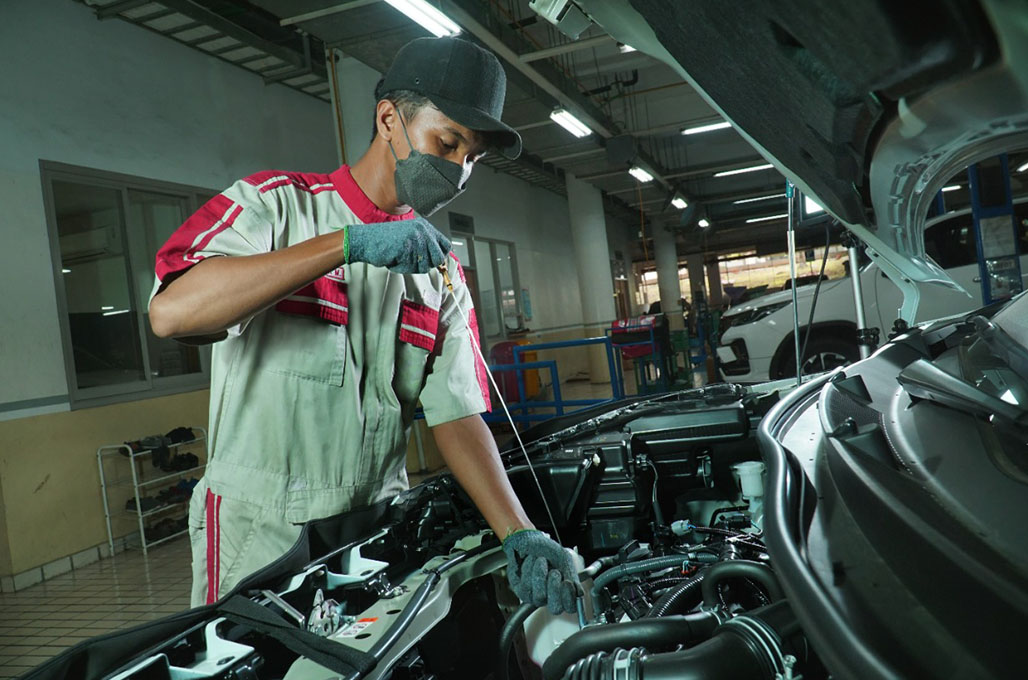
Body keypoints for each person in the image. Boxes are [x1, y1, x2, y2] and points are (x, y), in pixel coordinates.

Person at [148, 36, 580, 615]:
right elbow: (172, 312)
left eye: (472, 157)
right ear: (388, 120)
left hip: (374, 528)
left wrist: (518, 530)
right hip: (262, 531)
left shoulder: (439, 271)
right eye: (447, 142)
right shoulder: (274, 209)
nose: (457, 170)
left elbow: (456, 413)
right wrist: (347, 245)